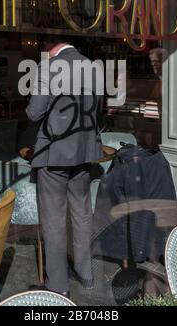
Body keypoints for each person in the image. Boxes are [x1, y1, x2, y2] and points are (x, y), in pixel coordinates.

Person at [26, 37, 103, 297]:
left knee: (54, 220)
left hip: (54, 154)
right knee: (82, 213)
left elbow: (34, 112)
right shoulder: (93, 66)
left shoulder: (49, 67)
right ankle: (86, 274)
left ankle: (57, 286)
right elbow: (96, 112)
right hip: (84, 152)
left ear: (50, 49)